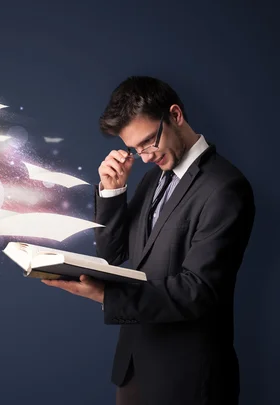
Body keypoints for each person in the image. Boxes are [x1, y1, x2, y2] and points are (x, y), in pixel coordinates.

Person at [41, 76, 255, 405]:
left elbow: (198, 290)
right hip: (135, 368)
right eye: (135, 148)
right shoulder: (154, 177)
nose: (144, 157)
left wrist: (106, 295)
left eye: (148, 142)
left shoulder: (225, 187)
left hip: (189, 379)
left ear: (175, 115)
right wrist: (113, 191)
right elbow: (114, 254)